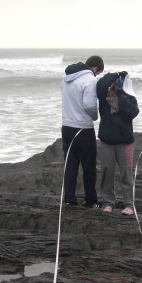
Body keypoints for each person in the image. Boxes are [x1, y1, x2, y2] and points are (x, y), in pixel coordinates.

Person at [61, 55, 104, 208]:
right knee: (88, 166)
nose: (97, 76)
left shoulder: (66, 78)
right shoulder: (90, 80)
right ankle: (90, 200)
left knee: (70, 164)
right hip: (83, 128)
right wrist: (95, 116)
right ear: (95, 69)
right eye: (98, 73)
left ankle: (69, 199)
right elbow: (89, 105)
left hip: (66, 126)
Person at [96, 71, 140, 216]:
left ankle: (129, 204)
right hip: (107, 141)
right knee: (107, 172)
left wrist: (121, 94)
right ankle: (108, 202)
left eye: (119, 83)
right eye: (116, 84)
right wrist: (114, 75)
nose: (116, 86)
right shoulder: (105, 98)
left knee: (126, 173)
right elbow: (100, 84)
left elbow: (131, 113)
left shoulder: (130, 99)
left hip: (125, 142)